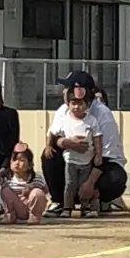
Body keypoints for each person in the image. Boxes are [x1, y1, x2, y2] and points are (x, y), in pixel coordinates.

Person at [41, 71, 128, 212]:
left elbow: (107, 153)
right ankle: (59, 200)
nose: (63, 92)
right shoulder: (63, 111)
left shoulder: (102, 114)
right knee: (49, 155)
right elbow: (53, 134)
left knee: (115, 178)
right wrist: (63, 142)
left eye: (67, 88)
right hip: (71, 162)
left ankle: (99, 197)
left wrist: (90, 183)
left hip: (96, 164)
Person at [49, 81, 103, 218]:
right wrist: (48, 146)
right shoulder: (64, 119)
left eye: (80, 103)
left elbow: (97, 138)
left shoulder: (92, 121)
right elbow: (52, 133)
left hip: (86, 161)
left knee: (83, 185)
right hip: (70, 160)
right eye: (73, 103)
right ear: (68, 103)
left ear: (87, 105)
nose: (77, 107)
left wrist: (98, 154)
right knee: (70, 185)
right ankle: (67, 208)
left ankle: (85, 209)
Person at [0, 143, 49, 223]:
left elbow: (45, 191)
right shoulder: (7, 178)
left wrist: (31, 191)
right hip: (15, 207)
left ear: (29, 165)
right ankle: (10, 215)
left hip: (30, 205)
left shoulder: (36, 178)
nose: (17, 163)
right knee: (5, 190)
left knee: (38, 192)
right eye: (14, 160)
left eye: (21, 160)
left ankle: (35, 216)